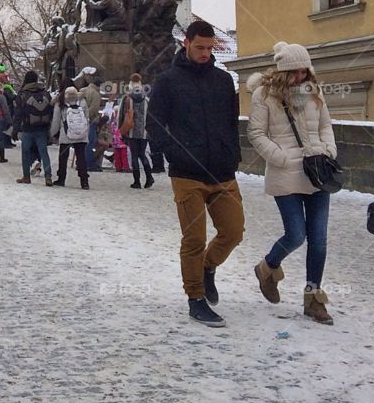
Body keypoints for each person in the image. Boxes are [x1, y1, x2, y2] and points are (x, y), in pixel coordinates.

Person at [148, 19, 244, 329]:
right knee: (194, 239)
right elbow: (154, 124)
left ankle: (207, 268)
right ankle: (196, 299)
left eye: (209, 48)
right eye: (199, 47)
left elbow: (231, 123)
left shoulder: (222, 80)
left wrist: (233, 154)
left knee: (233, 231)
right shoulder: (167, 81)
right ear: (186, 43)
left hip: (222, 170)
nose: (205, 53)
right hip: (187, 172)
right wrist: (171, 153)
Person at [247, 42, 337, 325]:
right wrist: (281, 157)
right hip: (285, 173)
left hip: (317, 172)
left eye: (304, 70)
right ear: (284, 71)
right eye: (296, 71)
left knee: (319, 240)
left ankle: (313, 299)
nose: (301, 76)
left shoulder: (315, 92)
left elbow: (325, 125)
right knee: (296, 234)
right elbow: (256, 133)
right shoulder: (264, 94)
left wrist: (328, 150)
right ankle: (268, 268)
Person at [14, 70, 53, 185]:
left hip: (27, 127)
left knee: (25, 152)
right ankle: (48, 176)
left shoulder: (23, 93)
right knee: (43, 152)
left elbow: (18, 113)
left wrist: (15, 129)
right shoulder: (45, 92)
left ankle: (26, 177)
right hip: (42, 128)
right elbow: (50, 110)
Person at [49, 85, 89, 188]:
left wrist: (53, 133)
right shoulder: (82, 102)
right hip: (81, 134)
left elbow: (56, 121)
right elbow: (86, 117)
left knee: (63, 157)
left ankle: (61, 179)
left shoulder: (61, 104)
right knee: (81, 157)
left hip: (66, 134)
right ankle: (84, 181)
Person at [118, 74, 154, 189]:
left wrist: (121, 130)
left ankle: (137, 181)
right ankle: (149, 177)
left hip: (132, 130)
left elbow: (122, 115)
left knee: (134, 155)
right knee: (142, 154)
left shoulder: (127, 99)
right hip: (144, 131)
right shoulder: (147, 99)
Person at [76, 69, 102, 170]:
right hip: (90, 121)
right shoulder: (95, 94)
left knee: (82, 143)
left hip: (79, 121)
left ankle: (80, 162)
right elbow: (94, 109)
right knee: (90, 142)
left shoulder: (83, 91)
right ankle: (89, 164)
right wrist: (87, 117)